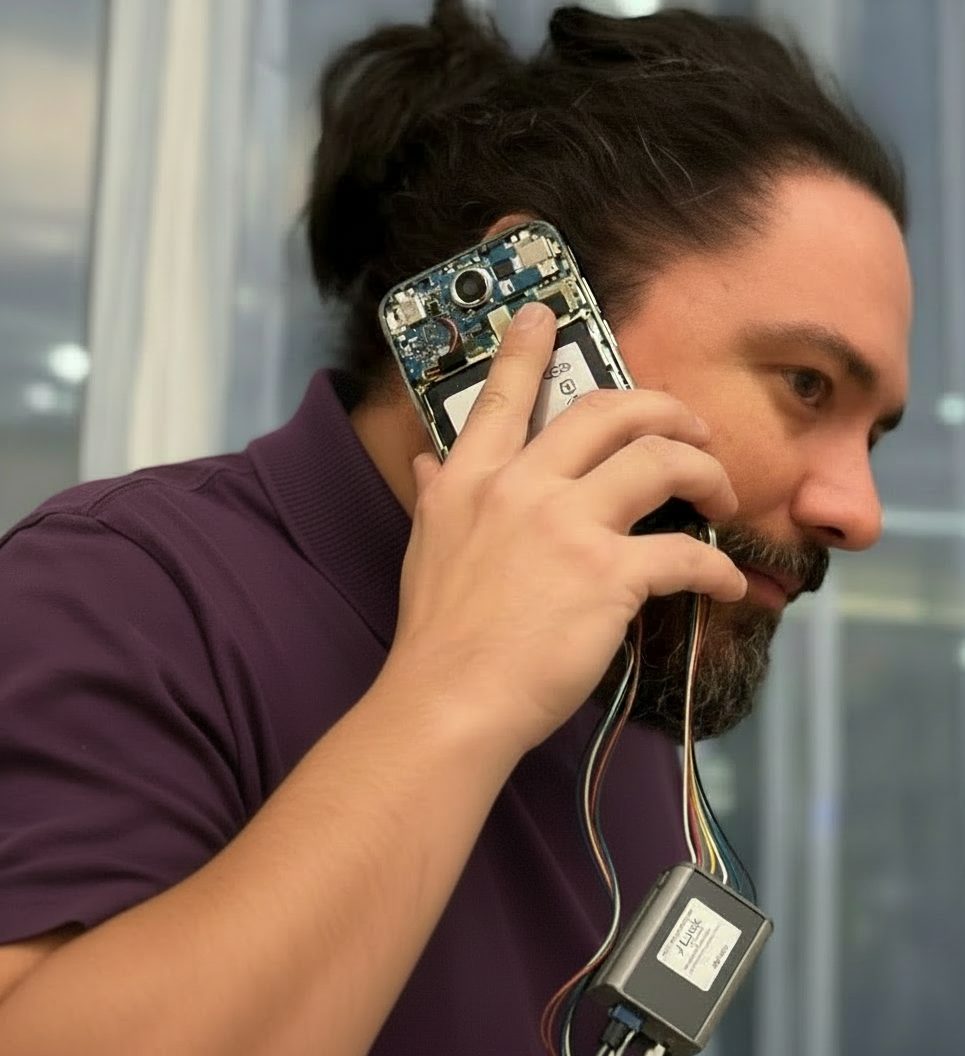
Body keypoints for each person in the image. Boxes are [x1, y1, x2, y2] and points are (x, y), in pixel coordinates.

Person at [0, 3, 910, 1054]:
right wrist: (459, 691)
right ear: (527, 317)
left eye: (873, 436)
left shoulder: (622, 710)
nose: (859, 512)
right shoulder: (125, 594)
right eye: (805, 384)